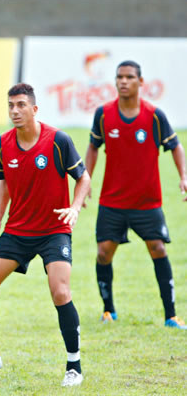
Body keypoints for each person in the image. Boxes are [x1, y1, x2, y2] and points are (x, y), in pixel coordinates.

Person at [0, 83, 90, 387]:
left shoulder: (58, 140)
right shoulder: (1, 143)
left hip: (54, 231)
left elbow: (82, 177)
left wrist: (74, 207)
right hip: (17, 230)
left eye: (21, 105)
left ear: (34, 109)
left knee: (60, 292)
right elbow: (4, 182)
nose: (15, 111)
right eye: (10, 106)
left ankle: (74, 366)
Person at [85, 60, 187, 329]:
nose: (123, 81)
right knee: (104, 253)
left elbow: (175, 146)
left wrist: (184, 176)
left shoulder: (154, 115)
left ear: (141, 82)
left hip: (146, 201)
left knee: (158, 249)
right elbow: (93, 147)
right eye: (119, 77)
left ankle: (171, 315)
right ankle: (108, 311)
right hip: (112, 201)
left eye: (130, 77)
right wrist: (86, 181)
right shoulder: (104, 114)